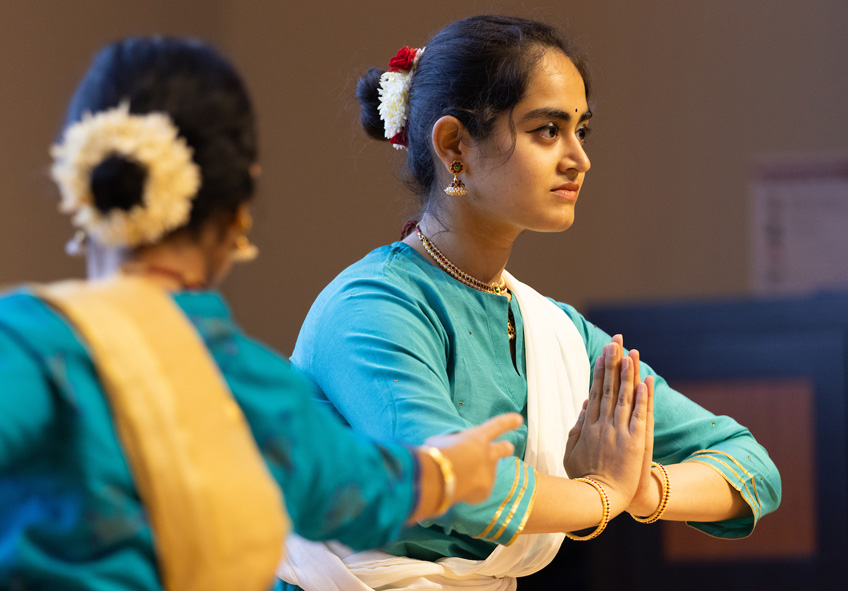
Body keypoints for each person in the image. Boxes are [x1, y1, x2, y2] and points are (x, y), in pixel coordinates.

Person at [0, 37, 526, 591]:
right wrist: (447, 471)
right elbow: (354, 494)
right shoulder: (253, 385)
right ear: (238, 217)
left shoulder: (26, 342)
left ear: (83, 188)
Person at [278, 15, 781, 591]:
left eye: (581, 131)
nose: (578, 158)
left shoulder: (554, 331)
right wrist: (601, 495)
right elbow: (454, 484)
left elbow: (751, 468)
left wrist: (640, 488)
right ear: (455, 146)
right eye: (547, 130)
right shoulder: (371, 308)